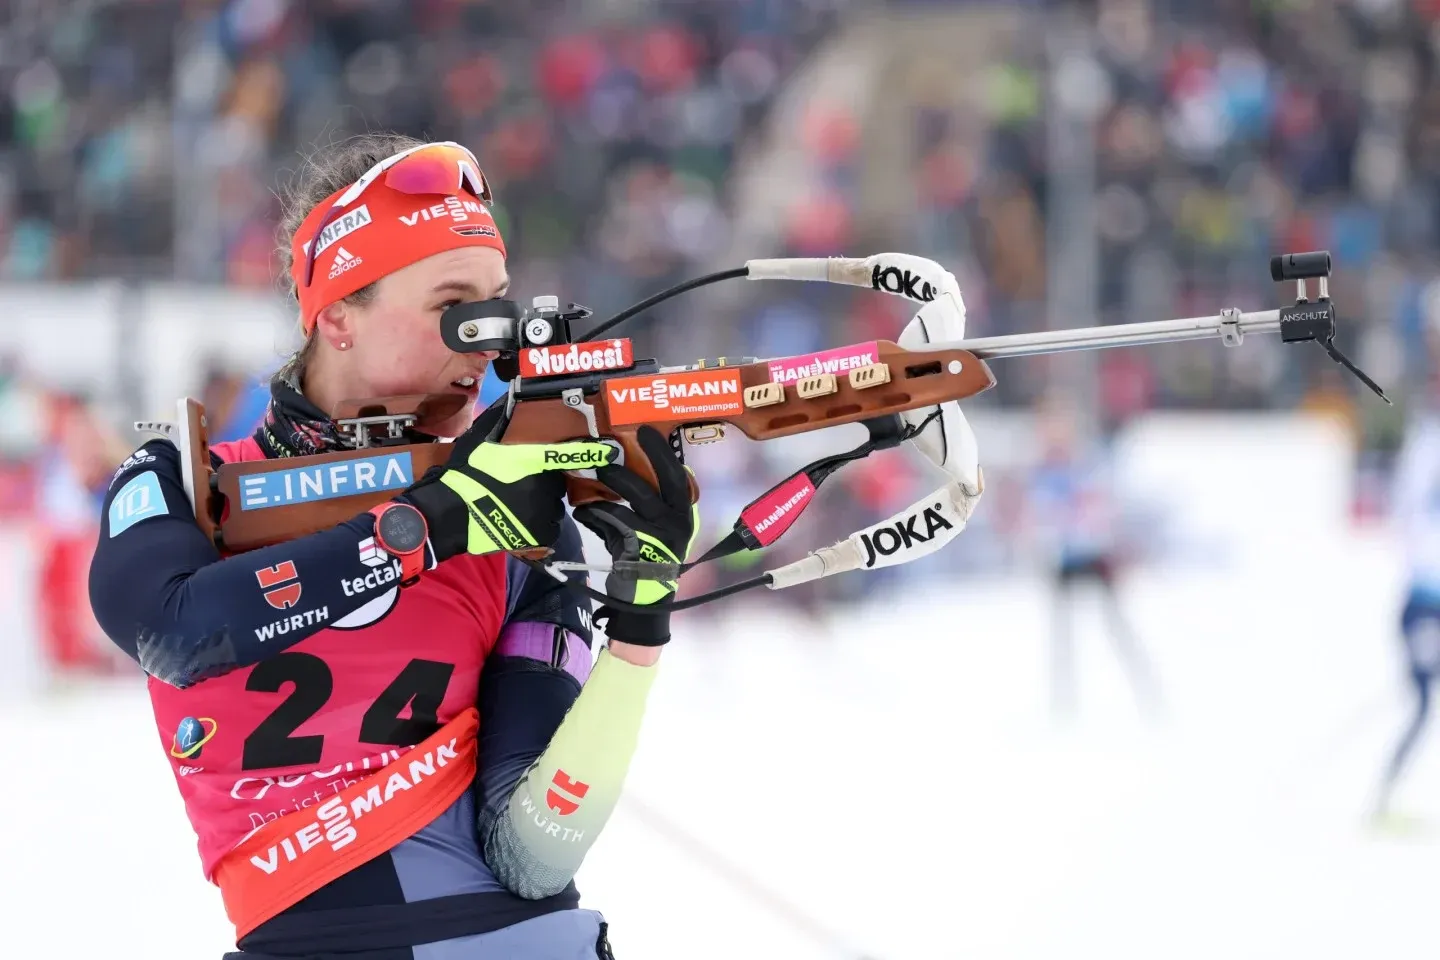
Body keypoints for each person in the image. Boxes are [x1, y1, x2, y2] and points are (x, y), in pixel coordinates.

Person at [88, 133, 697, 960]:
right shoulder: (181, 482)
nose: (486, 343)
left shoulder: (519, 524)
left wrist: (641, 619)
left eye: (498, 305)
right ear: (338, 314)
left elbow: (534, 852)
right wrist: (428, 526)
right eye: (454, 304)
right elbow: (174, 632)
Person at [1026, 395, 1159, 721]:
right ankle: (1064, 706)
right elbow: (1041, 519)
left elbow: (1102, 510)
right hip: (1063, 560)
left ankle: (1148, 696)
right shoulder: (1042, 471)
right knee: (1063, 637)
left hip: (1094, 556)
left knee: (1117, 628)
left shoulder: (1087, 464)